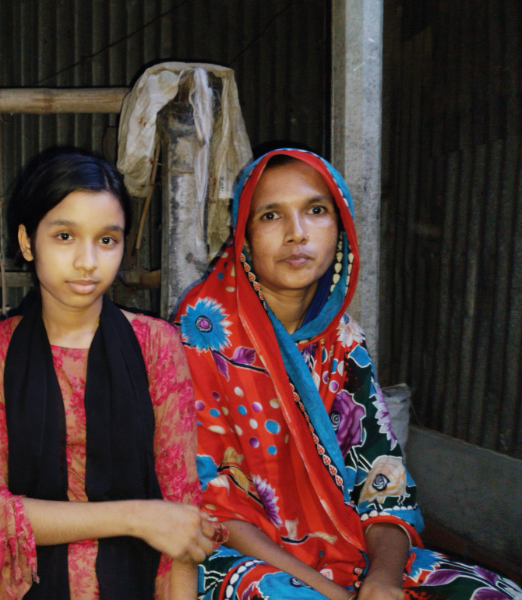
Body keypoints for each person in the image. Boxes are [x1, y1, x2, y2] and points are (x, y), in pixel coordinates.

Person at [175, 149, 522, 600]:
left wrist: (382, 580)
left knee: (493, 594)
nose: (296, 233)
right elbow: (214, 506)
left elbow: (383, 485)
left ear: (341, 229)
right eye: (270, 216)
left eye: (316, 211)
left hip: (345, 549)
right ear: (243, 234)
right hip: (240, 557)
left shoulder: (343, 341)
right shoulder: (203, 331)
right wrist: (331, 593)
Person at [0, 149, 223, 600]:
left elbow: (182, 517)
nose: (88, 261)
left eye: (107, 240)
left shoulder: (155, 345)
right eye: (65, 236)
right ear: (28, 242)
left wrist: (164, 524)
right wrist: (139, 517)